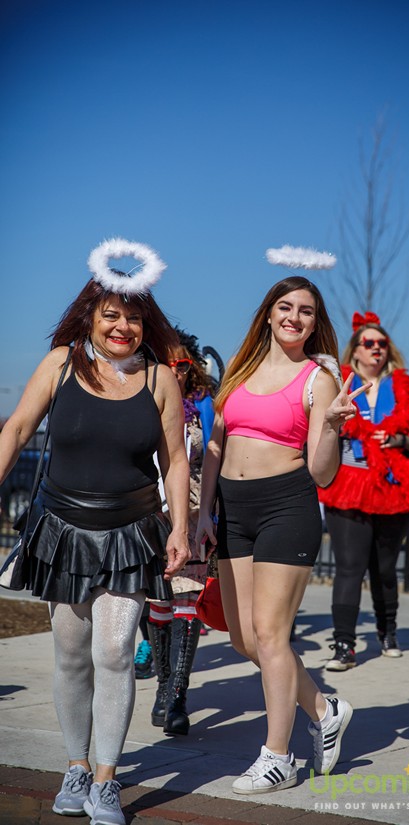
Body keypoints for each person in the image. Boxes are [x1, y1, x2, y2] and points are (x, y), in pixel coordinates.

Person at [0, 239, 191, 825]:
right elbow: (16, 430)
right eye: (111, 315)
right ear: (90, 317)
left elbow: (176, 460)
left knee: (113, 651)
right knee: (70, 653)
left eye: (134, 318)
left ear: (146, 325)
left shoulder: (161, 379)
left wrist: (181, 527)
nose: (122, 327)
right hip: (62, 529)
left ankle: (106, 780)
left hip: (131, 530)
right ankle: (76, 766)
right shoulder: (59, 364)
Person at [196, 275, 368, 795]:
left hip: (286, 508)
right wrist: (204, 513)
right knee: (245, 639)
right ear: (269, 313)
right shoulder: (239, 368)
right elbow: (216, 447)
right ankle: (324, 709)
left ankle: (278, 758)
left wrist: (332, 424)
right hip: (234, 511)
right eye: (286, 307)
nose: (295, 317)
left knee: (271, 634)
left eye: (306, 311)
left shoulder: (319, 379)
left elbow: (321, 473)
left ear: (315, 323)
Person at [318, 310, 409, 670]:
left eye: (382, 343)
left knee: (384, 568)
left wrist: (400, 440)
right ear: (355, 349)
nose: (376, 348)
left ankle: (388, 633)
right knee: (349, 568)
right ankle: (344, 645)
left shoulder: (402, 386)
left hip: (392, 485)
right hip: (348, 483)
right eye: (368, 342)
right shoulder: (338, 383)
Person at [148, 328, 215, 736]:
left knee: (188, 601)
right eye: (167, 363)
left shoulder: (204, 406)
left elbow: (217, 459)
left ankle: (176, 696)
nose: (176, 371)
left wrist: (208, 514)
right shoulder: (140, 400)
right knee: (158, 601)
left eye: (184, 364)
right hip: (148, 514)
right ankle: (161, 687)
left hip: (191, 515)